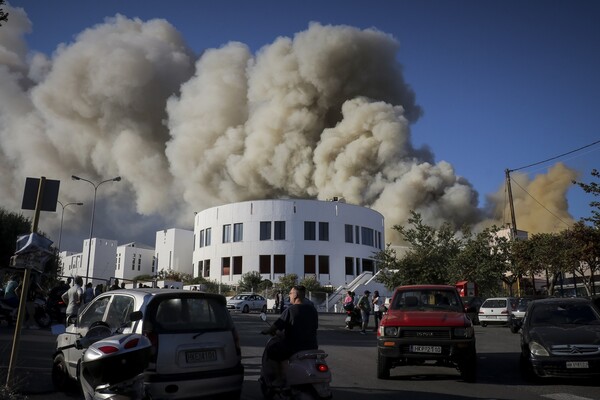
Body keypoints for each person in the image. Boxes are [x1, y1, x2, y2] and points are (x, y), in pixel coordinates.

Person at [261, 285, 319, 363]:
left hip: (294, 348)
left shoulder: (291, 310)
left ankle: (276, 373)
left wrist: (267, 331)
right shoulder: (313, 310)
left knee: (271, 350)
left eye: (290, 293)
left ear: (295, 295)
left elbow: (276, 325)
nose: (289, 295)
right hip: (312, 347)